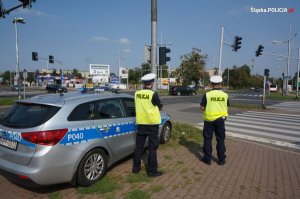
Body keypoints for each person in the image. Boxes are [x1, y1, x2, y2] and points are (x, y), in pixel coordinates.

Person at [132, 73, 163, 177]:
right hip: (152, 123)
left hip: (141, 123)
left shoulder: (137, 93)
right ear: (152, 83)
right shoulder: (153, 94)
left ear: (144, 83)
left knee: (139, 147)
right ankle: (151, 171)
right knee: (152, 148)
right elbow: (159, 106)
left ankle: (136, 168)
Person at [200, 75, 229, 165]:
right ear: (220, 84)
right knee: (220, 139)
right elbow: (227, 106)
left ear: (211, 85)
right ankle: (221, 159)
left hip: (209, 120)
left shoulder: (207, 95)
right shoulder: (225, 95)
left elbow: (202, 107)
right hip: (221, 120)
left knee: (208, 139)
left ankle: (207, 159)